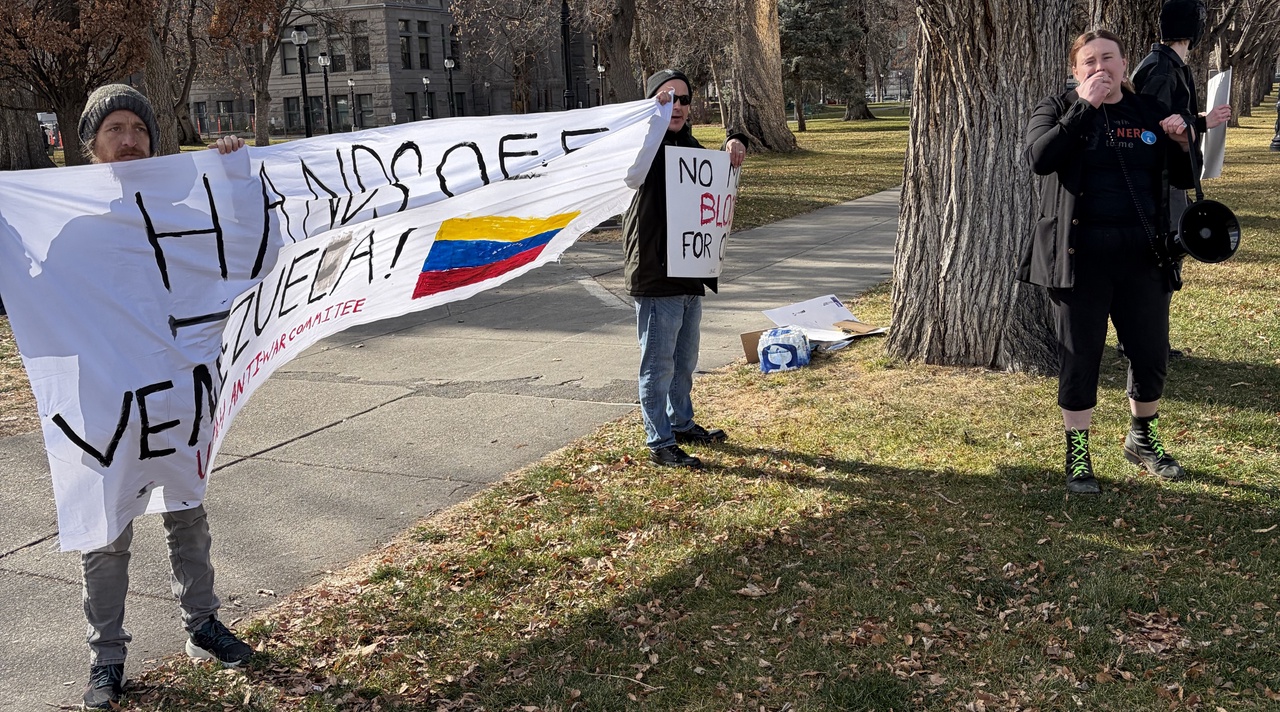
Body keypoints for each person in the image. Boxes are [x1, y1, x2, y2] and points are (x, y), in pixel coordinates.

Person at [75, 83, 250, 709]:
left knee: (188, 514)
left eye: (138, 129)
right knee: (107, 531)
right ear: (91, 144)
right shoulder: (69, 224)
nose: (129, 140)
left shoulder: (180, 210)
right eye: (115, 129)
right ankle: (107, 659)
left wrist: (233, 174)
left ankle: (202, 626)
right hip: (106, 403)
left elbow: (237, 250)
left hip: (178, 391)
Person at [1021, 30, 1194, 494]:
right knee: (1081, 358)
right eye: (1090, 61)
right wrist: (1085, 108)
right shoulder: (1057, 107)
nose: (1101, 68)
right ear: (1075, 71)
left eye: (1110, 59)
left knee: (1150, 352)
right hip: (1079, 260)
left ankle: (1143, 439)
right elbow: (1040, 158)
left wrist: (1180, 142)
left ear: (1123, 64)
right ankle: (1078, 452)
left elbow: (1181, 177)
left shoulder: (1147, 111)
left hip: (1143, 256)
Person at [623, 69, 746, 469]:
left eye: (683, 99)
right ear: (651, 103)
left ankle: (681, 422)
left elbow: (713, 175)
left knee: (684, 359)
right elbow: (631, 176)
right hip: (656, 275)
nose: (676, 106)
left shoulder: (687, 144)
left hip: (691, 271)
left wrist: (734, 141)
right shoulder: (640, 146)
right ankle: (659, 440)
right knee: (658, 364)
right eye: (666, 98)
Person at [1125, 0, 1231, 360]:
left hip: (1170, 179)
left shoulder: (1171, 66)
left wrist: (1203, 118)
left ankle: (1147, 339)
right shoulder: (1161, 69)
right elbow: (1150, 127)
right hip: (1159, 181)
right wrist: (1202, 122)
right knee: (1162, 258)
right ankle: (1142, 341)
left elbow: (1169, 117)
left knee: (1166, 258)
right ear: (1193, 29)